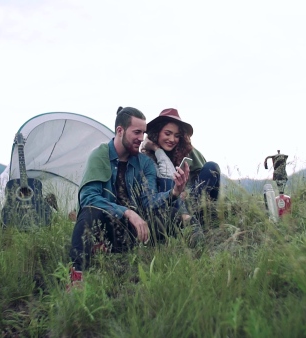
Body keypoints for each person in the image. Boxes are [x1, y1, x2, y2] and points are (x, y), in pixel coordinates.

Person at [68, 106, 192, 289]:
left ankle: (168, 258)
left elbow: (149, 201)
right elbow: (88, 198)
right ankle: (77, 277)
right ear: (120, 131)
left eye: (143, 133)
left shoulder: (145, 163)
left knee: (172, 213)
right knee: (89, 213)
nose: (141, 138)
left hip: (135, 229)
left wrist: (174, 192)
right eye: (136, 132)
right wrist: (126, 212)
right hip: (106, 225)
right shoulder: (100, 155)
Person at [141, 108, 221, 224]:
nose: (172, 139)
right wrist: (157, 149)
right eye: (167, 134)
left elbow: (204, 179)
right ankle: (189, 220)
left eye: (177, 135)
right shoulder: (147, 157)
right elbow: (164, 182)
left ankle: (207, 218)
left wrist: (187, 192)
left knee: (212, 166)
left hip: (190, 199)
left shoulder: (185, 151)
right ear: (157, 132)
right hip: (168, 204)